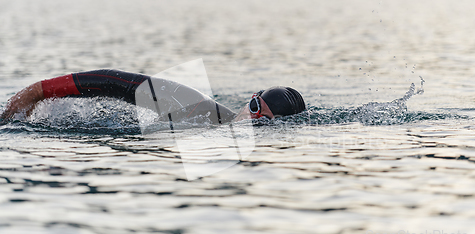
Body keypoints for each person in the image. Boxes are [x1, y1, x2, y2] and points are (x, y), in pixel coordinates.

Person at [0, 69, 306, 124]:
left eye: (262, 122)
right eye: (253, 108)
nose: (250, 120)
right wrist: (38, 92)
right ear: (248, 101)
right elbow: (111, 81)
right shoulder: (199, 108)